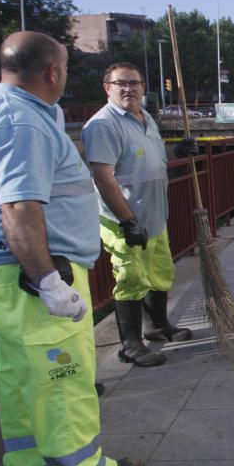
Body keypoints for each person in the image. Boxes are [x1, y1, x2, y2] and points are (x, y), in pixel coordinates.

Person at [0, 32, 143, 466]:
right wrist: (47, 281)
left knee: (21, 371)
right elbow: (20, 208)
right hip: (36, 272)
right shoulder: (20, 121)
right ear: (53, 72)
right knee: (61, 371)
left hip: (0, 268)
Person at [81, 63, 195, 368]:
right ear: (107, 88)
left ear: (143, 87)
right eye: (121, 84)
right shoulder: (103, 125)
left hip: (155, 216)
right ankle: (130, 345)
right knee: (131, 279)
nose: (129, 89)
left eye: (134, 83)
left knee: (159, 274)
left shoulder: (144, 119)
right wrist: (127, 220)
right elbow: (103, 177)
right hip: (127, 221)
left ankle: (157, 326)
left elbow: (152, 161)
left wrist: (178, 153)